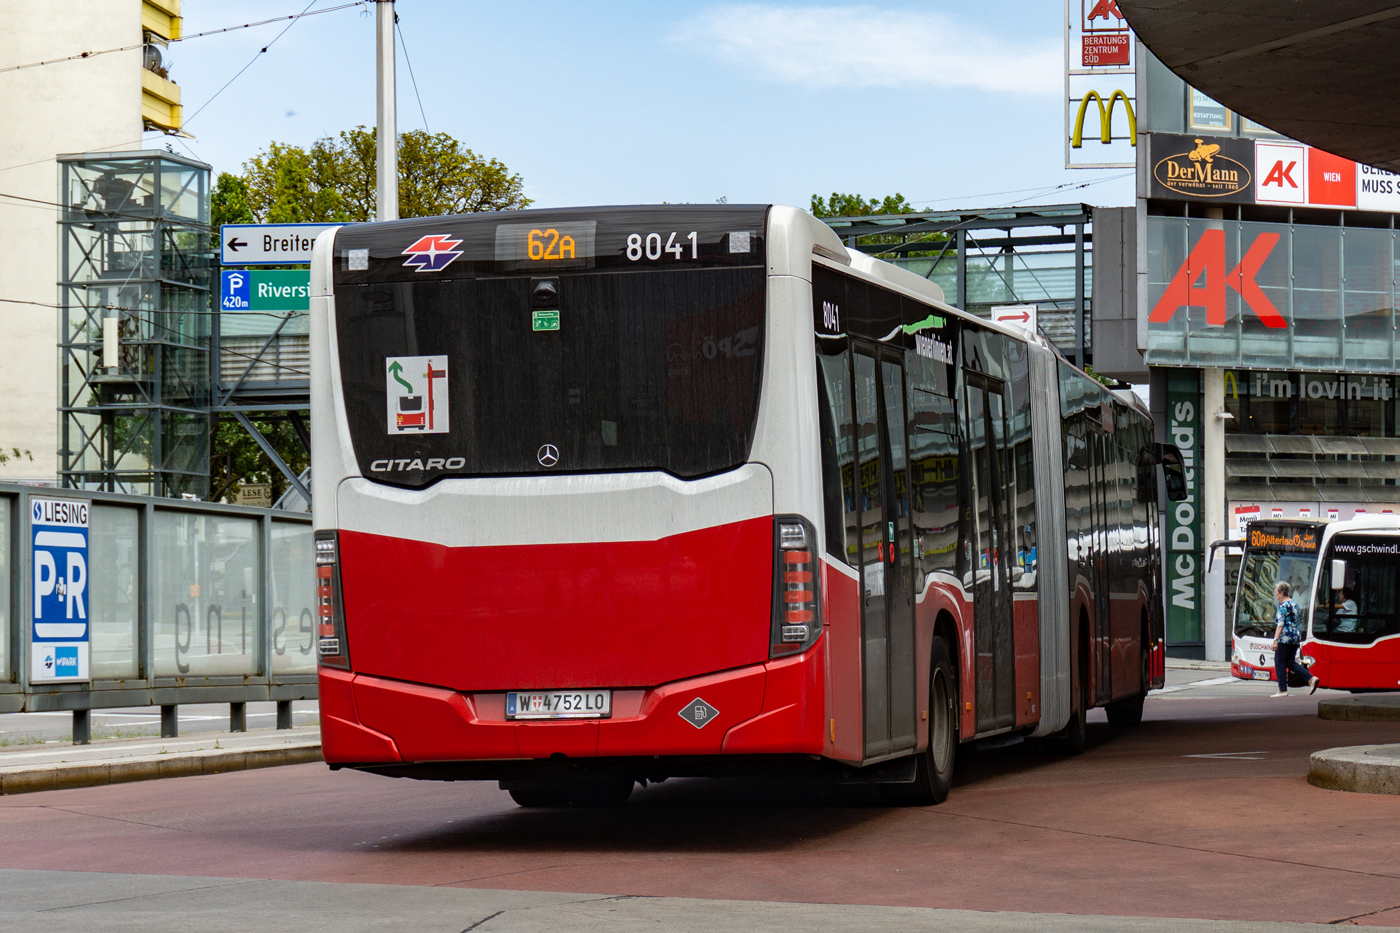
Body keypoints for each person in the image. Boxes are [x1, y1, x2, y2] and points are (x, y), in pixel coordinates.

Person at [1270, 581, 1319, 696]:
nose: (1275, 594)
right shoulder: (1295, 604)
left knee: (1280, 662)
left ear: (1281, 593)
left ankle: (1282, 689)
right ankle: (1310, 678)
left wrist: (1275, 640)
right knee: (1290, 662)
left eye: (1276, 592)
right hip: (1295, 637)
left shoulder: (1283, 606)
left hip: (1285, 637)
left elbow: (1280, 624)